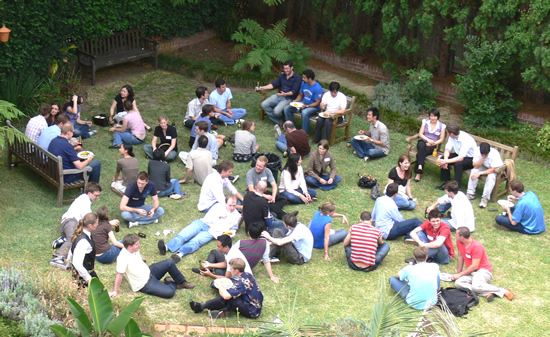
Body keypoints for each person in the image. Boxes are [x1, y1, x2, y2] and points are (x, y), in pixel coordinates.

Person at [109, 234, 195, 299]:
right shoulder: (122, 258)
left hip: (149, 272)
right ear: (129, 246)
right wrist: (115, 291)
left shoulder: (135, 250)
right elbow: (119, 275)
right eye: (137, 244)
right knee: (170, 293)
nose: (139, 246)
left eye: (139, 243)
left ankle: (182, 282)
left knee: (169, 262)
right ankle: (171, 282)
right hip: (144, 284)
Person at [158, 195, 241, 262]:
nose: (232, 208)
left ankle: (180, 254)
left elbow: (234, 229)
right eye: (230, 205)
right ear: (226, 203)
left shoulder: (237, 216)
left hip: (212, 231)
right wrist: (218, 216)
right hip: (202, 223)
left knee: (196, 241)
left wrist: (231, 233)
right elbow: (207, 218)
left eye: (234, 206)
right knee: (185, 234)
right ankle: (166, 247)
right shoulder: (218, 206)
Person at [451, 227, 514, 302]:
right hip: (471, 272)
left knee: (475, 287)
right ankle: (486, 293)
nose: (455, 236)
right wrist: (459, 271)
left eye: (456, 234)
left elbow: (475, 266)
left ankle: (503, 291)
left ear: (462, 237)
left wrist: (460, 274)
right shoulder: (459, 242)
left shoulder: (477, 246)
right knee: (458, 283)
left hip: (483, 271)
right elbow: (460, 256)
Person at [189, 257, 263, 319]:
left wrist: (219, 283)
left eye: (231, 269)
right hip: (255, 305)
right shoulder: (247, 275)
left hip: (252, 311)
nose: (230, 270)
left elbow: (226, 296)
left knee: (229, 297)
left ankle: (201, 307)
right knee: (230, 293)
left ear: (236, 270)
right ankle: (224, 310)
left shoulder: (242, 283)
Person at [50, 183, 102, 269]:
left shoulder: (85, 199)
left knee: (75, 237)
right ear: (89, 193)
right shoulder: (85, 200)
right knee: (74, 238)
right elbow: (89, 218)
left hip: (69, 223)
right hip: (70, 221)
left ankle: (63, 239)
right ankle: (59, 257)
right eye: (96, 195)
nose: (97, 197)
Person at [258, 60, 302, 125]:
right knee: (264, 104)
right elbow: (273, 84)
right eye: (284, 68)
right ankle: (280, 121)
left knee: (276, 111)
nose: (285, 70)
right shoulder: (282, 75)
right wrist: (262, 87)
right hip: (279, 95)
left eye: (287, 68)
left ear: (292, 68)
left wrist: (285, 94)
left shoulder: (297, 78)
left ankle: (282, 121)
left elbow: (294, 92)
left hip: (289, 98)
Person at [436, 124, 476, 190]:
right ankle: (447, 183)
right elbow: (447, 149)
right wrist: (445, 159)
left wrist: (446, 161)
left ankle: (456, 187)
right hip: (460, 155)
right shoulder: (452, 137)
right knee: (443, 158)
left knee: (458, 165)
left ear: (451, 134)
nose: (447, 134)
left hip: (471, 158)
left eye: (447, 133)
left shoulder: (466, 139)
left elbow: (461, 158)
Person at [283, 69, 323, 134]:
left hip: (313, 107)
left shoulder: (317, 88)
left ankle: (304, 133)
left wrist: (307, 106)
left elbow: (317, 103)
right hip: (303, 104)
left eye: (304, 77)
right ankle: (292, 129)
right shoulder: (304, 83)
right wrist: (295, 101)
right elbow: (301, 95)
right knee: (287, 108)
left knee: (305, 112)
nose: (302, 79)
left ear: (310, 78)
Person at [466, 142, 504, 208]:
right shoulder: (477, 150)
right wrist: (483, 158)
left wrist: (480, 173)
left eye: (485, 154)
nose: (483, 155)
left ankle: (485, 198)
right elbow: (475, 166)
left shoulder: (494, 154)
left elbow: (493, 169)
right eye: (482, 154)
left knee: (491, 177)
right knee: (474, 171)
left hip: (495, 169)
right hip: (484, 166)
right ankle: (470, 193)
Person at [68, 213, 100, 288]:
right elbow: (77, 263)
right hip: (83, 273)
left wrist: (68, 264)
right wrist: (88, 278)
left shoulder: (81, 234)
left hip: (83, 272)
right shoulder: (83, 242)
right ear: (90, 226)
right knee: (98, 294)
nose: (97, 225)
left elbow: (71, 249)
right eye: (96, 223)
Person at [414, 109, 446, 182]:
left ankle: (419, 169)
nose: (433, 118)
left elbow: (441, 139)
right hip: (423, 141)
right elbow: (420, 134)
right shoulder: (425, 122)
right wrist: (428, 141)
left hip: (432, 145)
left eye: (435, 116)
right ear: (429, 116)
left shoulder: (442, 126)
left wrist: (433, 143)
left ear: (438, 117)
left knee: (421, 152)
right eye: (431, 116)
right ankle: (419, 170)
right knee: (422, 146)